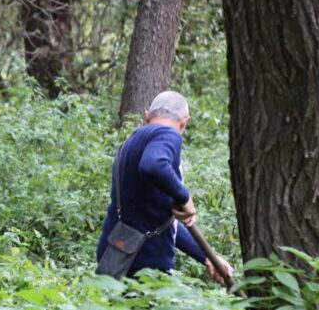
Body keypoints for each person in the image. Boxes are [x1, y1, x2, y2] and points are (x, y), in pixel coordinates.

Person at [96, 90, 232, 281]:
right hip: (147, 269)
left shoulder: (131, 143)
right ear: (184, 122)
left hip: (115, 257)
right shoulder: (167, 134)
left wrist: (207, 257)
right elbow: (153, 164)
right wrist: (184, 197)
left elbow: (162, 223)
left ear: (147, 116)